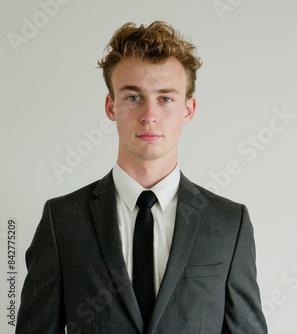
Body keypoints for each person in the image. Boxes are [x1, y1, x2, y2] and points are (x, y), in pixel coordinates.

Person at [16, 21, 267, 334]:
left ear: (188, 109)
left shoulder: (230, 222)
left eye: (165, 98)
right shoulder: (62, 220)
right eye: (133, 97)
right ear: (111, 106)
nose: (149, 115)